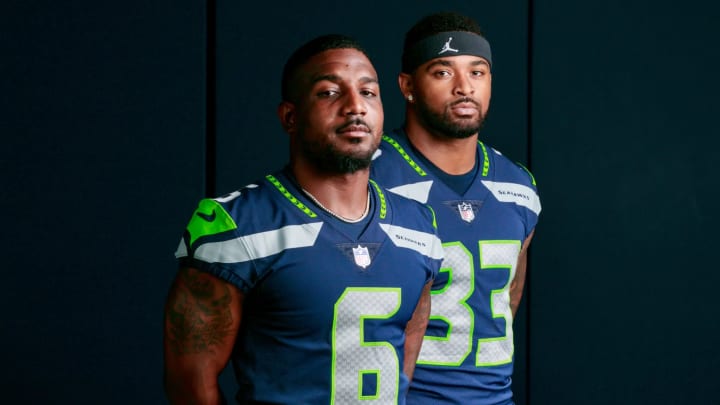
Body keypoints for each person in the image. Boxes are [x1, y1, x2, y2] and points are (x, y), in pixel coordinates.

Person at [163, 33, 444, 405]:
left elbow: (404, 359)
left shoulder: (419, 225)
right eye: (329, 92)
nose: (355, 107)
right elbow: (189, 383)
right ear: (290, 117)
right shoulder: (236, 224)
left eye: (368, 92)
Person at [370, 12, 542, 405]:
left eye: (477, 72)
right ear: (408, 85)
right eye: (443, 73)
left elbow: (506, 296)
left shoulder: (518, 185)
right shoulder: (367, 178)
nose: (465, 87)